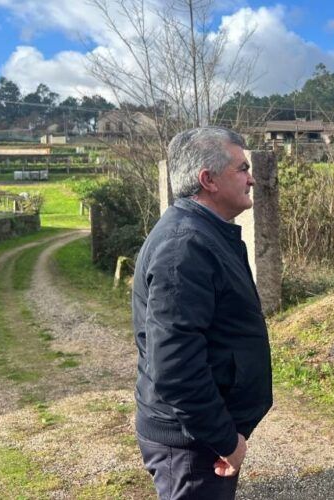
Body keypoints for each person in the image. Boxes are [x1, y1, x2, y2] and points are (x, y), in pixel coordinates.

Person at [132, 126, 273, 499]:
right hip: (192, 443)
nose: (251, 179)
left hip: (199, 435)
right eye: (242, 168)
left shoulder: (204, 233)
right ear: (208, 180)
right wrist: (225, 440)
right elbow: (174, 365)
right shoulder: (185, 246)